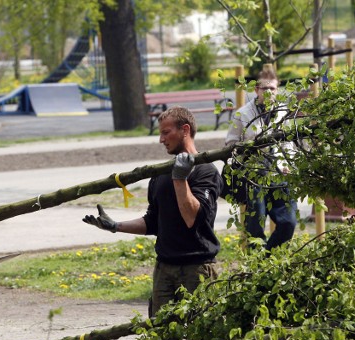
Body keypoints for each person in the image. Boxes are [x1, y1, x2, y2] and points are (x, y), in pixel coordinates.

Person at [83, 106, 223, 318]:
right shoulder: (160, 174)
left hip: (197, 270)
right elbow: (154, 222)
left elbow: (192, 218)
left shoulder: (206, 171)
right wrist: (116, 226)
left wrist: (180, 178)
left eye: (166, 132)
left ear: (185, 130)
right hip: (164, 269)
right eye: (160, 133)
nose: (161, 139)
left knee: (201, 337)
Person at [225, 68, 297, 252]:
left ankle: (268, 259)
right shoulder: (242, 114)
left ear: (278, 89)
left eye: (272, 88)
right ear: (256, 90)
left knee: (288, 222)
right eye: (264, 88)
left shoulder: (283, 112)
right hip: (254, 176)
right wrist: (248, 151)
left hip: (278, 173)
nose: (268, 92)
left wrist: (287, 163)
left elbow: (289, 142)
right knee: (255, 226)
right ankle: (256, 263)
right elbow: (231, 144)